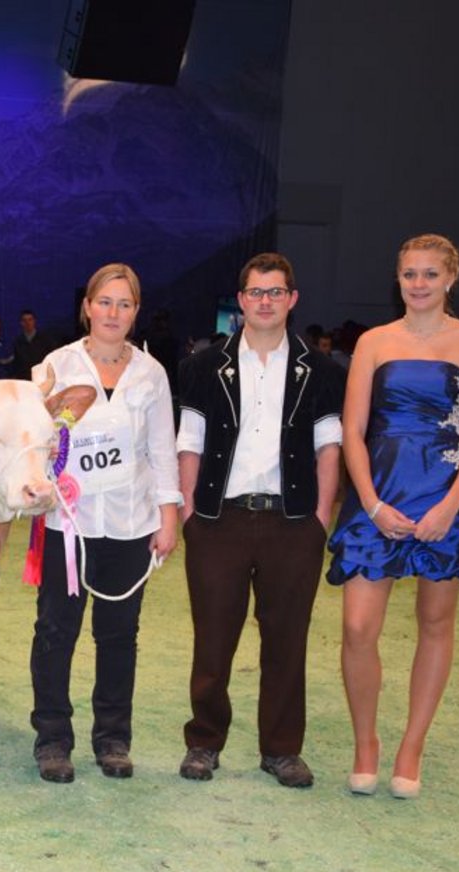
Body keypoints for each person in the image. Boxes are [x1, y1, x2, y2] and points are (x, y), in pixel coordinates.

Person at [328, 233, 459, 799]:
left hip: (445, 495)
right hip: (379, 493)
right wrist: (372, 501)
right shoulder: (375, 343)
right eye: (410, 274)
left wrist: (450, 506)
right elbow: (353, 431)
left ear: (451, 278)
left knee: (436, 624)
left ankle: (412, 746)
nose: (419, 284)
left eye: (430, 274)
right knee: (358, 627)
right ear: (398, 279)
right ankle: (367, 745)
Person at [175, 253, 344, 789]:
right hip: (218, 520)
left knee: (287, 641)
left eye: (275, 292)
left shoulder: (320, 372)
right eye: (255, 292)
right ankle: (204, 742)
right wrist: (188, 515)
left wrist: (319, 519)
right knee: (213, 639)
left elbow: (329, 449)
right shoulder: (205, 365)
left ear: (291, 300)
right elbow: (190, 444)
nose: (265, 301)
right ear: (241, 300)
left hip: (292, 524)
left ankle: (281, 749)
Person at [27, 263, 180, 783]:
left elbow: (162, 449)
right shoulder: (55, 364)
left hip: (131, 523)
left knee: (119, 633)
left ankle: (113, 738)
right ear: (87, 306)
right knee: (55, 631)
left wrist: (169, 515)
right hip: (68, 521)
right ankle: (52, 738)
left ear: (136, 312)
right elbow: (35, 437)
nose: (114, 313)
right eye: (105, 302)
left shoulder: (151, 374)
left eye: (125, 304)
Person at [11, 309, 57, 381]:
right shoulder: (17, 342)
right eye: (24, 320)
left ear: (34, 321)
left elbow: (52, 357)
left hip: (41, 377)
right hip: (24, 379)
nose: (27, 323)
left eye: (30, 320)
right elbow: (15, 363)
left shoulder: (45, 339)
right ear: (21, 323)